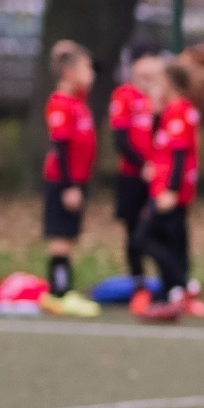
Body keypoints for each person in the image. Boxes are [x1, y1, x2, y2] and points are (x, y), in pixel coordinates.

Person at [135, 60, 204, 323]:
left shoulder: (179, 110)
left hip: (169, 192)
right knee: (168, 241)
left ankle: (181, 284)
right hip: (163, 189)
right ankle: (170, 293)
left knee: (143, 238)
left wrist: (172, 190)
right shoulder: (169, 111)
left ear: (168, 83)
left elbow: (179, 155)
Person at [37, 40, 99, 317]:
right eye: (86, 68)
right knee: (60, 237)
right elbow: (59, 148)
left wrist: (68, 50)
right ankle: (59, 293)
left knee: (70, 236)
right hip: (63, 182)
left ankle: (63, 290)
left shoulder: (77, 101)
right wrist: (69, 186)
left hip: (77, 180)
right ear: (69, 72)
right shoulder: (61, 104)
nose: (92, 73)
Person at [109, 44, 163, 314]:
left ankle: (170, 285)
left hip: (160, 179)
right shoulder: (124, 95)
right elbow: (120, 138)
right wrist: (143, 165)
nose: (151, 64)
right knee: (133, 231)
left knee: (161, 230)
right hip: (133, 176)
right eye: (145, 59)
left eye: (154, 58)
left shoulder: (161, 96)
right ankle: (138, 284)